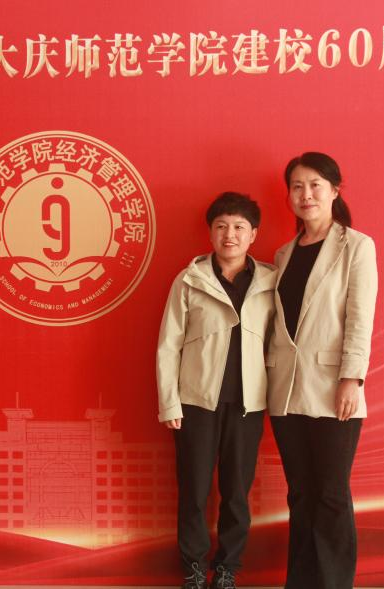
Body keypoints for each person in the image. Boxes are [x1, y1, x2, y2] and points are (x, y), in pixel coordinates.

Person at [266, 152, 379, 589]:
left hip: (334, 388)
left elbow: (359, 317)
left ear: (334, 190)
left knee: (331, 494)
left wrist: (352, 378)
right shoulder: (282, 254)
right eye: (297, 186)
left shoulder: (357, 246)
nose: (306, 194)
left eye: (315, 185)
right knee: (300, 494)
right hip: (286, 390)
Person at [157, 192, 278, 589]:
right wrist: (169, 402)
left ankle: (227, 568)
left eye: (240, 227)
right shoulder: (189, 280)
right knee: (193, 490)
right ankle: (193, 568)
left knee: (237, 492)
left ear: (253, 234)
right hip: (196, 402)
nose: (230, 235)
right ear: (210, 232)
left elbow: (280, 343)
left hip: (248, 404)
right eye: (222, 226)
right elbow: (168, 345)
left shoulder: (270, 282)